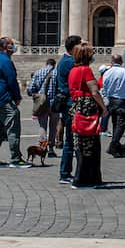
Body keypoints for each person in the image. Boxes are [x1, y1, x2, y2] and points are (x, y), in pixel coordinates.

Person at [68, 42, 106, 187]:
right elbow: (94, 91)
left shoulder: (73, 70)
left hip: (77, 107)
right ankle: (87, 178)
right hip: (87, 108)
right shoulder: (86, 70)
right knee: (91, 145)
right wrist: (103, 107)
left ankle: (81, 177)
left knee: (80, 144)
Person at [0, 37, 27, 167]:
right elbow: (11, 81)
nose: (14, 46)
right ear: (5, 47)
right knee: (13, 127)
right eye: (11, 44)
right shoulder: (6, 61)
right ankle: (16, 159)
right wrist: (17, 96)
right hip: (5, 98)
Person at [51, 35, 80, 182]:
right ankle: (65, 173)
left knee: (69, 139)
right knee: (71, 140)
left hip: (66, 103)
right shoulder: (70, 63)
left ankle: (66, 172)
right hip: (70, 103)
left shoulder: (63, 61)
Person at [100, 53, 125, 154]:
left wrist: (106, 98)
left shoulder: (107, 72)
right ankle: (114, 144)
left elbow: (104, 87)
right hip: (123, 100)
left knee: (114, 122)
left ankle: (115, 144)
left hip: (111, 100)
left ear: (112, 62)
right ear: (121, 62)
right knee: (121, 123)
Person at [27, 57, 56, 131]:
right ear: (54, 64)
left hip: (42, 101)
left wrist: (33, 93)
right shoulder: (57, 72)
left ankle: (43, 141)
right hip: (54, 102)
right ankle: (51, 142)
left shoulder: (38, 72)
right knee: (53, 125)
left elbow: (31, 88)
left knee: (43, 125)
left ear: (46, 64)